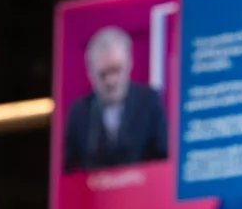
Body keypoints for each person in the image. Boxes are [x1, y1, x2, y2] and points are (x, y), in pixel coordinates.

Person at [63, 26, 168, 172]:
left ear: (129, 63)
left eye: (116, 70)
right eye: (103, 74)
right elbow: (64, 171)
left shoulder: (149, 100)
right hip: (94, 192)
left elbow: (165, 158)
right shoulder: (77, 112)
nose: (111, 81)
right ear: (90, 72)